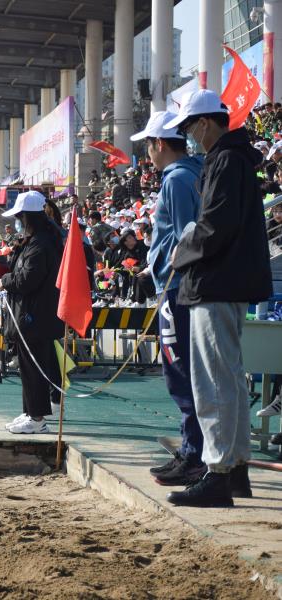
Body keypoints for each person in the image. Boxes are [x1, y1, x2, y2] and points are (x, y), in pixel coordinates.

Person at [165, 89, 273, 507]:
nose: (189, 137)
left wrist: (180, 253)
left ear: (205, 123)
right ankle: (235, 470)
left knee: (213, 382)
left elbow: (214, 228)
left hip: (217, 282)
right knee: (228, 377)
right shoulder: (232, 158)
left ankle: (219, 472)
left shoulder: (226, 160)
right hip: (226, 281)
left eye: (191, 127)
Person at [130, 111, 206, 487]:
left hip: (176, 288)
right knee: (187, 371)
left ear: (159, 144)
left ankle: (194, 455)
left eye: (148, 145)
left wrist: (162, 271)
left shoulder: (176, 179)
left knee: (179, 372)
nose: (148, 154)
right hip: (180, 285)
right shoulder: (193, 172)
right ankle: (194, 451)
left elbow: (184, 237)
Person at [0, 191, 63, 434]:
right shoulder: (34, 242)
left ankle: (37, 419)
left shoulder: (41, 244)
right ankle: (30, 412)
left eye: (19, 217)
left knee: (34, 369)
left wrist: (4, 280)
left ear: (28, 217)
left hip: (35, 317)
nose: (17, 222)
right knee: (27, 368)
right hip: (30, 315)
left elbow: (26, 280)